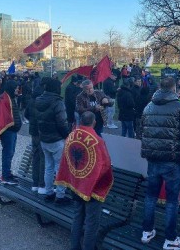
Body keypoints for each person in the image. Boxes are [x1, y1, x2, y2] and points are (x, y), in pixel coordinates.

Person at [139, 77, 180, 250]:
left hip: (153, 158)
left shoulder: (148, 106)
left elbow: (142, 129)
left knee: (151, 196)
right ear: (173, 89)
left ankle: (147, 231)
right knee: (172, 200)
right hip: (172, 159)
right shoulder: (179, 106)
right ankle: (170, 238)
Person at [55, 111, 113, 250]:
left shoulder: (71, 135)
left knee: (77, 217)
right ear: (94, 122)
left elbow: (66, 161)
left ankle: (74, 247)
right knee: (92, 223)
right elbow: (104, 165)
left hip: (75, 185)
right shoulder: (97, 140)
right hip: (92, 188)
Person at [35, 78, 71, 205]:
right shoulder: (58, 102)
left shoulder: (38, 100)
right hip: (56, 139)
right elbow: (62, 122)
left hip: (44, 138)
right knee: (60, 168)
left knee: (49, 167)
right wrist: (67, 135)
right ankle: (60, 196)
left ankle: (49, 192)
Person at [24, 78, 46, 194]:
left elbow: (26, 115)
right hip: (42, 132)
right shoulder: (43, 101)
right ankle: (42, 184)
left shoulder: (31, 101)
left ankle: (35, 183)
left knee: (36, 157)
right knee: (43, 158)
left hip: (33, 132)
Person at [0, 80, 23, 185]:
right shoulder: (4, 99)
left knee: (10, 152)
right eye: (16, 88)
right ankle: (5, 176)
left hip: (13, 130)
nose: (17, 90)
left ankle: (7, 173)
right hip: (8, 131)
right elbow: (2, 117)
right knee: (7, 153)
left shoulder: (11, 98)